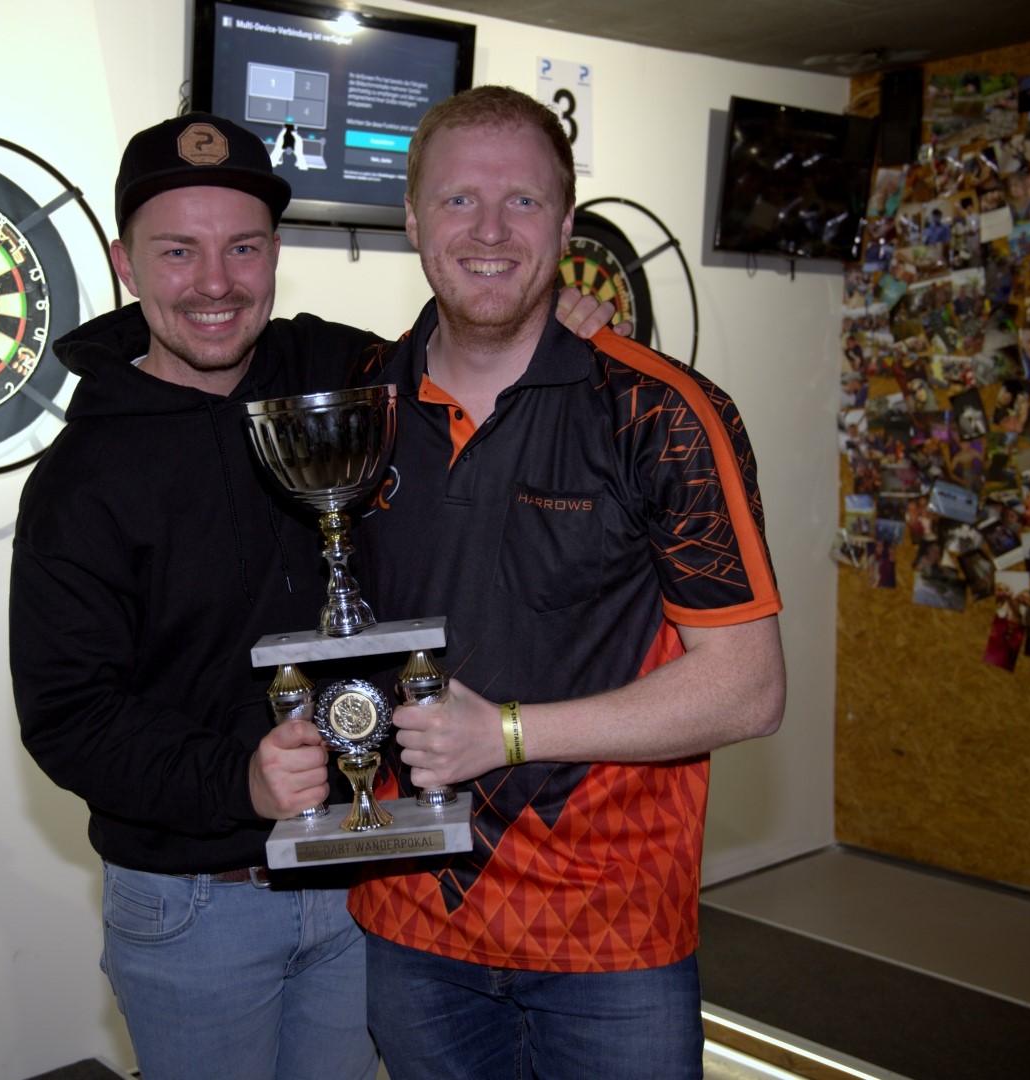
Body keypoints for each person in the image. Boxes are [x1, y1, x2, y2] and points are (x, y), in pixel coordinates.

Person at [8, 112, 612, 1080]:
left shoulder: (335, 371)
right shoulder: (80, 480)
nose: (216, 283)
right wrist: (237, 782)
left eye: (243, 247)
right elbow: (68, 717)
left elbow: (466, 355)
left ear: (276, 252)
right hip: (195, 900)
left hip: (360, 879)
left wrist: (551, 317)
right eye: (178, 251)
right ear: (125, 264)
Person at [346, 86, 787, 1080]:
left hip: (608, 932)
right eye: (458, 200)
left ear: (565, 223)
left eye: (523, 201)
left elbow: (749, 689)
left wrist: (505, 734)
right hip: (410, 921)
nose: (489, 231)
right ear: (411, 218)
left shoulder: (660, 413)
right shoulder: (355, 408)